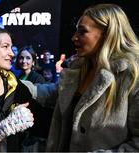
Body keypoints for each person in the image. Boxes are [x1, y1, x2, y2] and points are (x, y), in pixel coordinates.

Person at [36, 3, 139, 152]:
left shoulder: (132, 75)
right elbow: (55, 93)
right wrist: (16, 86)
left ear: (108, 34)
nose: (74, 38)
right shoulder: (79, 69)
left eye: (82, 32)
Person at [15, 45, 53, 152]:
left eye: (28, 58)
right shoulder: (18, 76)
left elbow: (39, 105)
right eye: (21, 58)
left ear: (33, 61)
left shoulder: (38, 78)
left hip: (33, 129)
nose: (24, 61)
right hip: (20, 125)